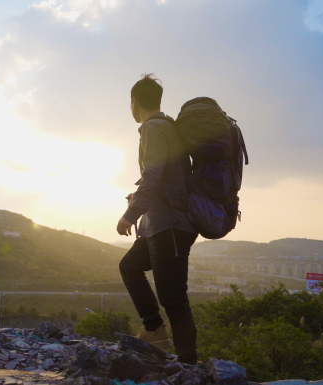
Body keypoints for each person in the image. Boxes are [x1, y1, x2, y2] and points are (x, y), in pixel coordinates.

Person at [116, 73, 198, 364]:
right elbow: (165, 178)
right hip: (161, 225)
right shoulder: (168, 127)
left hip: (170, 226)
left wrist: (130, 214)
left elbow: (152, 175)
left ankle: (188, 365)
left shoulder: (153, 128)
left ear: (134, 102)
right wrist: (139, 201)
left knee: (173, 296)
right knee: (130, 266)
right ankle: (154, 329)